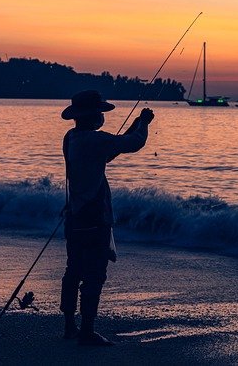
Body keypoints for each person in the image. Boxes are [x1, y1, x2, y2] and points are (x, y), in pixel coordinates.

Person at [59, 90, 154, 346]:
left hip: (75, 217)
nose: (102, 116)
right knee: (94, 275)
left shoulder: (71, 138)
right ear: (92, 116)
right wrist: (144, 123)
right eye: (99, 112)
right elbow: (133, 144)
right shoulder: (95, 140)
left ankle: (70, 326)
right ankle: (87, 331)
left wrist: (136, 124)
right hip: (94, 219)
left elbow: (111, 151)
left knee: (73, 271)